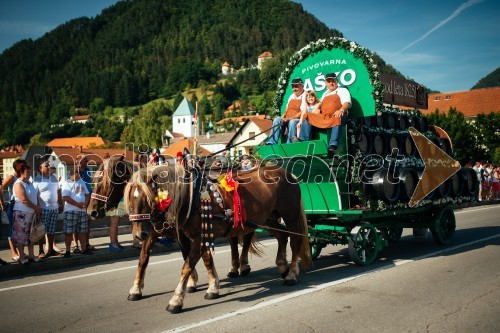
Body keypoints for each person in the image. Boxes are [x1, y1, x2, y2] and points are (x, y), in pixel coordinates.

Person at [300, 73, 352, 156]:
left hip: (337, 116)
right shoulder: (325, 94)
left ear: (337, 81)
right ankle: (303, 141)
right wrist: (317, 111)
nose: (331, 83)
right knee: (307, 115)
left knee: (337, 116)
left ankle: (333, 145)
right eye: (329, 81)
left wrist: (341, 110)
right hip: (325, 117)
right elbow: (320, 106)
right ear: (325, 83)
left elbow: (347, 103)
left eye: (333, 81)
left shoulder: (342, 90)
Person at [33, 161, 64, 258]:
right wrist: (37, 207)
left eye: (49, 166)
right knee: (41, 231)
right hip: (43, 208)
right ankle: (41, 251)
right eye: (46, 166)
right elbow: (35, 195)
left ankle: (51, 250)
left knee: (51, 231)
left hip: (54, 208)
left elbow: (58, 191)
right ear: (40, 168)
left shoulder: (53, 178)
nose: (48, 167)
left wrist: (61, 204)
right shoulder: (37, 180)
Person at [12, 163, 41, 264]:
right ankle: (21, 257)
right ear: (21, 172)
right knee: (21, 236)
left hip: (31, 213)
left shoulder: (29, 183)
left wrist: (38, 207)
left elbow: (36, 195)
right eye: (27, 171)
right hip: (21, 213)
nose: (29, 173)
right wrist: (36, 207)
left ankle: (31, 255)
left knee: (31, 236)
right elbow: (23, 199)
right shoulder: (18, 184)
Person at [61, 166, 91, 258]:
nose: (81, 175)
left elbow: (87, 194)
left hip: (82, 210)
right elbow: (65, 197)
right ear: (74, 173)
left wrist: (85, 203)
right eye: (79, 173)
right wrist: (77, 204)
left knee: (82, 231)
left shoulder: (81, 182)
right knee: (69, 232)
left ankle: (83, 249)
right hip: (71, 210)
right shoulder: (67, 183)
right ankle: (67, 250)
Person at [266, 77, 306, 144]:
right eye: (293, 87)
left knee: (292, 122)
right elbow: (286, 110)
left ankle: (289, 143)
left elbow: (302, 112)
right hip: (287, 119)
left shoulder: (305, 95)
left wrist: (289, 118)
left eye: (296, 86)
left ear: (302, 86)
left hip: (298, 120)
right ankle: (271, 141)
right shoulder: (291, 96)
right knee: (277, 120)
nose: (294, 89)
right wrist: (282, 118)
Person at [1, 159, 26, 261]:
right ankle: (14, 252)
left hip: (21, 207)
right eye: (23, 166)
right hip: (12, 206)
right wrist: (3, 203)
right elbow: (1, 188)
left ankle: (20, 252)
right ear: (18, 167)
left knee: (19, 230)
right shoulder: (12, 177)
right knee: (12, 229)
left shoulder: (22, 177)